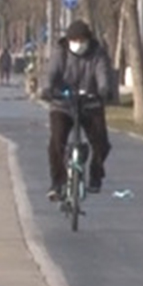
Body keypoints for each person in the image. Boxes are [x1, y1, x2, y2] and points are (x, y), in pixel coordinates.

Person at [41, 19, 113, 199]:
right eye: (74, 40)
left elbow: (102, 73)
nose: (78, 44)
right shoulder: (60, 52)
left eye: (82, 40)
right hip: (63, 104)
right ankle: (57, 183)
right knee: (56, 143)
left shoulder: (97, 54)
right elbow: (51, 73)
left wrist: (103, 90)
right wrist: (48, 89)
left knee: (101, 143)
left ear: (88, 40)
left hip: (90, 103)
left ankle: (96, 174)